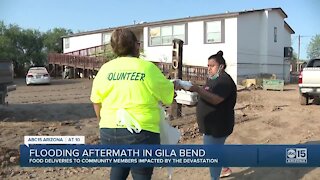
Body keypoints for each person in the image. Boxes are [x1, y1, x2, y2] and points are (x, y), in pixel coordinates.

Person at [90, 28, 177, 180]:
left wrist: (103, 122)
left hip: (109, 132)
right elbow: (168, 96)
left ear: (113, 49)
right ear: (136, 46)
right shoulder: (147, 68)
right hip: (142, 134)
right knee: (141, 174)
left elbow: (96, 102)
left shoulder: (105, 70)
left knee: (118, 167)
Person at [183, 50, 236, 180]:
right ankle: (225, 168)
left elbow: (216, 99)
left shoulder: (224, 80)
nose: (208, 68)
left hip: (218, 126)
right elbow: (206, 94)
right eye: (207, 65)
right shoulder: (213, 79)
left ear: (221, 67)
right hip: (211, 125)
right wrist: (194, 97)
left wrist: (197, 89)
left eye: (212, 66)